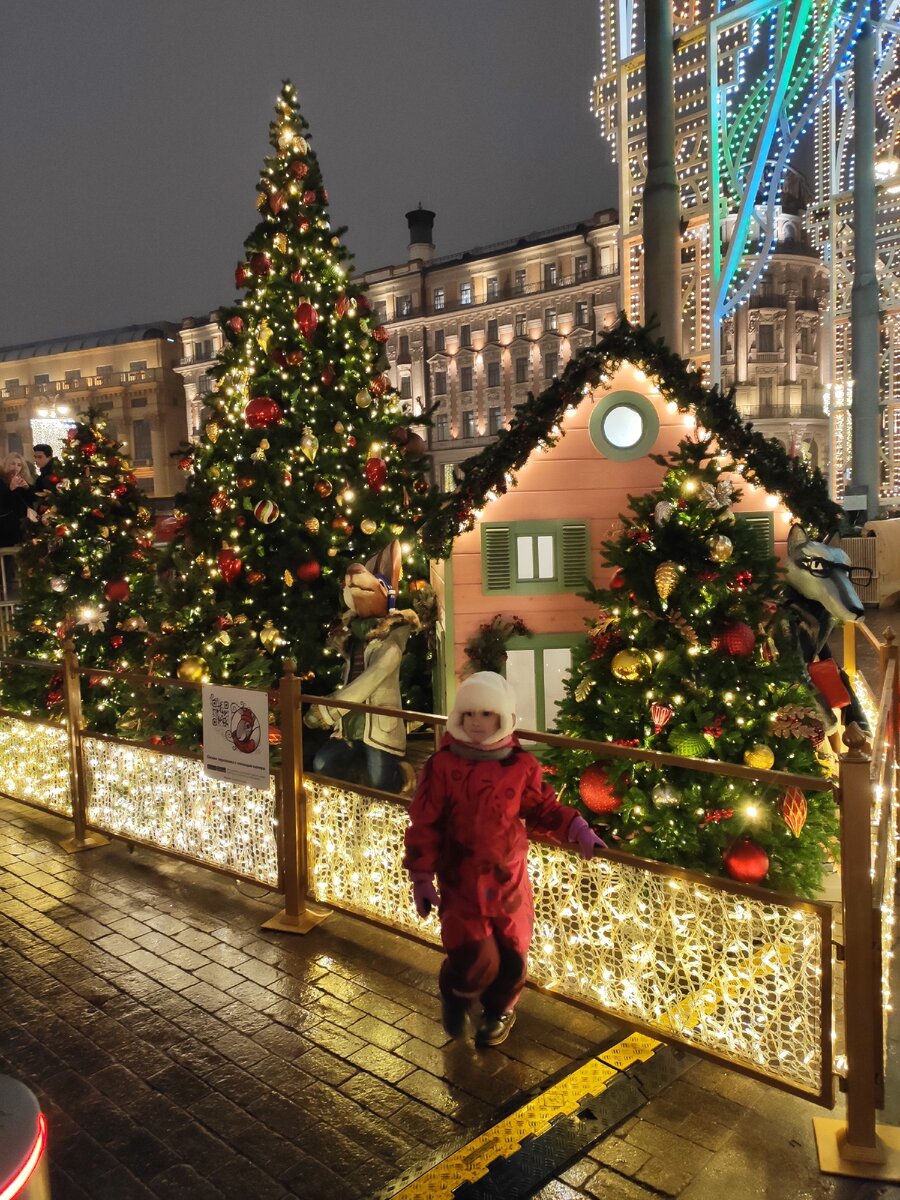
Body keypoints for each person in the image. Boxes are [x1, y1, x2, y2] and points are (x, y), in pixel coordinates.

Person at [403, 671, 605, 1048]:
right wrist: (420, 875)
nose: (477, 723)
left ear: (504, 719)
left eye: (487, 714)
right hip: (461, 882)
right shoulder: (443, 766)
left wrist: (575, 827)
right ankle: (458, 992)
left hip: (508, 884)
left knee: (513, 956)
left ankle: (499, 1011)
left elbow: (542, 808)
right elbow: (425, 822)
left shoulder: (520, 765)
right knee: (473, 955)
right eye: (469, 715)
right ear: (458, 718)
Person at [0, 454, 35, 596]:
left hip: (21, 530)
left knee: (20, 566)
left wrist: (27, 488)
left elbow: (31, 502)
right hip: (4, 531)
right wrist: (11, 489)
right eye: (13, 463)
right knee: (5, 565)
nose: (16, 467)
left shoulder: (22, 481)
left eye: (19, 464)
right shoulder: (1, 481)